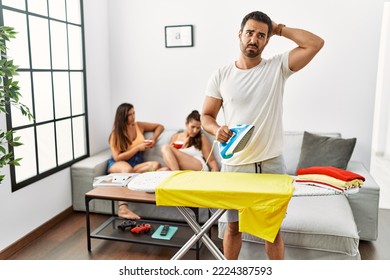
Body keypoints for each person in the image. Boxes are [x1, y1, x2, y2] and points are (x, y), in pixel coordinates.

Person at [201, 11, 324, 260]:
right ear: (239, 34)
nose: (253, 39)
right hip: (236, 166)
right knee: (233, 227)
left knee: (272, 231)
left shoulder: (277, 67)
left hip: (271, 165)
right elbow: (206, 115)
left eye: (261, 35)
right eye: (249, 33)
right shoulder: (221, 75)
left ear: (267, 41)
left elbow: (315, 43)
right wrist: (217, 129)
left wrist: (279, 28)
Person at [107, 103, 164, 220]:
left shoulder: (139, 126)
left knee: (156, 165)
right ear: (122, 117)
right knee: (127, 169)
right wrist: (137, 148)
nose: (133, 117)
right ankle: (122, 208)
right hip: (118, 163)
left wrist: (153, 139)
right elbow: (118, 157)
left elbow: (159, 126)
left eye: (134, 113)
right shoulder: (115, 134)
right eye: (129, 115)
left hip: (136, 163)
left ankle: (136, 181)